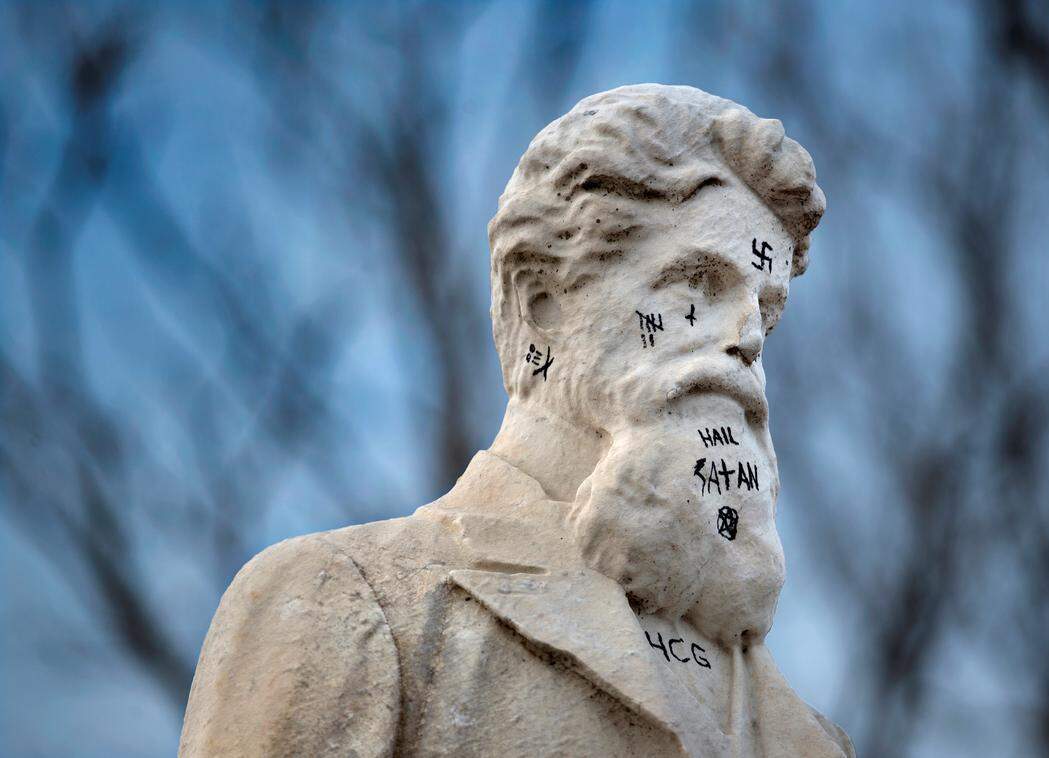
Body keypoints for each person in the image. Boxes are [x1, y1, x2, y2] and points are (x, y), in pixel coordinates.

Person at [179, 84, 853, 758]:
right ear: (543, 302)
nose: (748, 337)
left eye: (765, 309)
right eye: (698, 283)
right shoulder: (349, 604)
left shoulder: (809, 734)